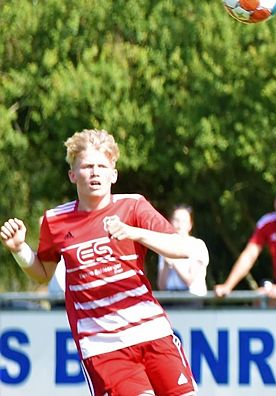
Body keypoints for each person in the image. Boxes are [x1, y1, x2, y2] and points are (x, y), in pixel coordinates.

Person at [0, 129, 197, 396]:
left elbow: (182, 249)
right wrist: (19, 249)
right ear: (72, 174)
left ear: (113, 174)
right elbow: (43, 273)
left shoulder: (133, 206)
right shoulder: (55, 221)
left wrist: (134, 233)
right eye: (87, 166)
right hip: (103, 344)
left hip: (153, 331)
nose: (95, 173)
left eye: (102, 166)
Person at [157, 204, 209, 300]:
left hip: (192, 299)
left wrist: (173, 261)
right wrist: (166, 264)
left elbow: (189, 281)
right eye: (176, 220)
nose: (180, 225)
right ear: (170, 222)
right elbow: (161, 286)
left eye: (184, 221)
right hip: (170, 298)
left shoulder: (197, 245)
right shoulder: (164, 245)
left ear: (190, 225)